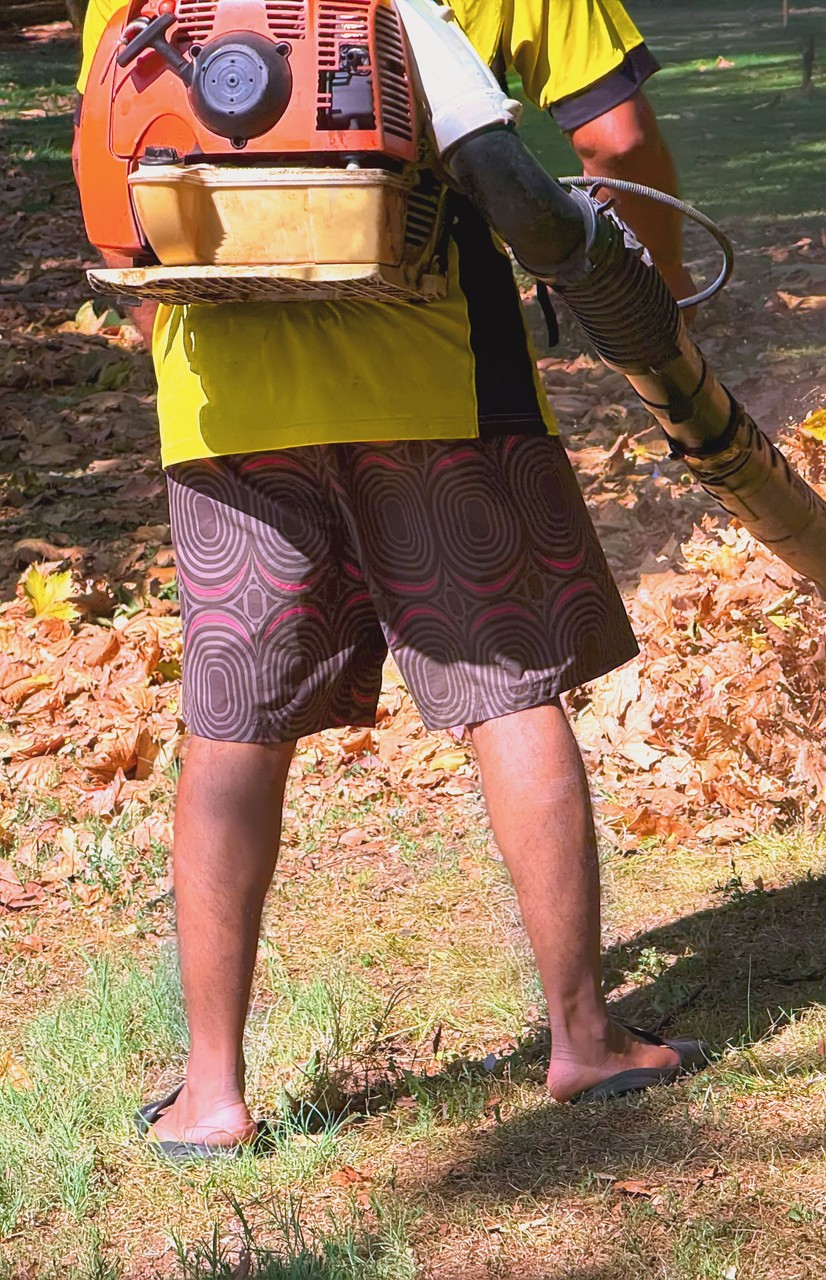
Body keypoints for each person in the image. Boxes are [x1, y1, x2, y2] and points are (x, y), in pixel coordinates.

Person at [73, 0, 704, 1158]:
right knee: (508, 691)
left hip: (224, 404)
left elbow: (120, 210)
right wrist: (650, 307)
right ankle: (582, 1036)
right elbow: (613, 143)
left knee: (233, 728)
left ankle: (211, 1092)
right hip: (438, 379)